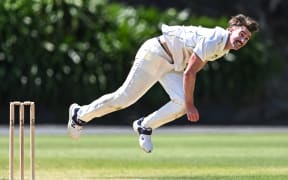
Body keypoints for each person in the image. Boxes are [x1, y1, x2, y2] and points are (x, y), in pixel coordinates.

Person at [67, 14, 259, 153]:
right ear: (231, 29)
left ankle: (144, 126)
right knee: (124, 99)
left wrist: (187, 102)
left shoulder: (223, 48)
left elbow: (194, 66)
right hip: (155, 54)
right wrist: (191, 105)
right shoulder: (216, 38)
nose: (242, 39)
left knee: (180, 103)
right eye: (241, 33)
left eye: (246, 38)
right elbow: (190, 72)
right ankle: (79, 115)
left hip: (172, 64)